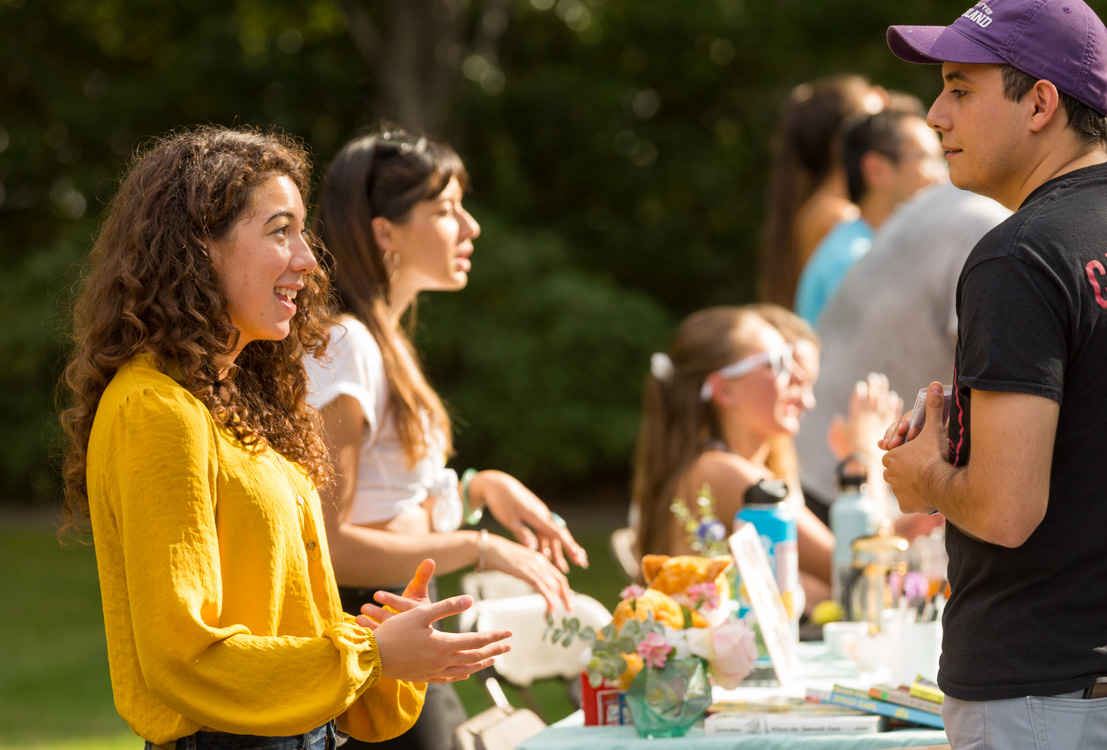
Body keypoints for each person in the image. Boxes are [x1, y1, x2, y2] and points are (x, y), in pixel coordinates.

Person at [59, 126, 512, 750]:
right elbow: (184, 657)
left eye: (303, 231)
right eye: (280, 231)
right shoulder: (154, 409)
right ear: (198, 248)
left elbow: (289, 621)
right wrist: (370, 654)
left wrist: (385, 644)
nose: (307, 259)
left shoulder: (237, 397)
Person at [879, 1, 1107, 747]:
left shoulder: (1017, 257)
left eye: (960, 89)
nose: (936, 115)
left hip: (1044, 694)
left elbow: (1006, 508)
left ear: (1039, 102)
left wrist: (921, 475)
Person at [307, 128, 588, 750]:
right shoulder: (348, 344)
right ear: (385, 232)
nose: (471, 227)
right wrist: (481, 548)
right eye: (444, 210)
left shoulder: (382, 341)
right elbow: (326, 544)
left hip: (401, 620)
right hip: (371, 627)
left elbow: (390, 500)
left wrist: (482, 487)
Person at [795, 183, 1010, 524]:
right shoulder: (986, 225)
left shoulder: (953, 205)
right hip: (845, 462)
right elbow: (996, 369)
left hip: (843, 453)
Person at [630, 305, 833, 601]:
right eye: (777, 363)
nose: (799, 376)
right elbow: (847, 566)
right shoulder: (723, 473)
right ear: (725, 391)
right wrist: (866, 454)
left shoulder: (718, 467)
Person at [794, 110, 946, 327]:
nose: (941, 176)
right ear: (877, 170)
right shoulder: (854, 261)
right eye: (925, 158)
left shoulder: (868, 246)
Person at [758, 75, 886, 308]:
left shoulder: (823, 209)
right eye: (874, 125)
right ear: (843, 143)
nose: (889, 135)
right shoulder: (837, 217)